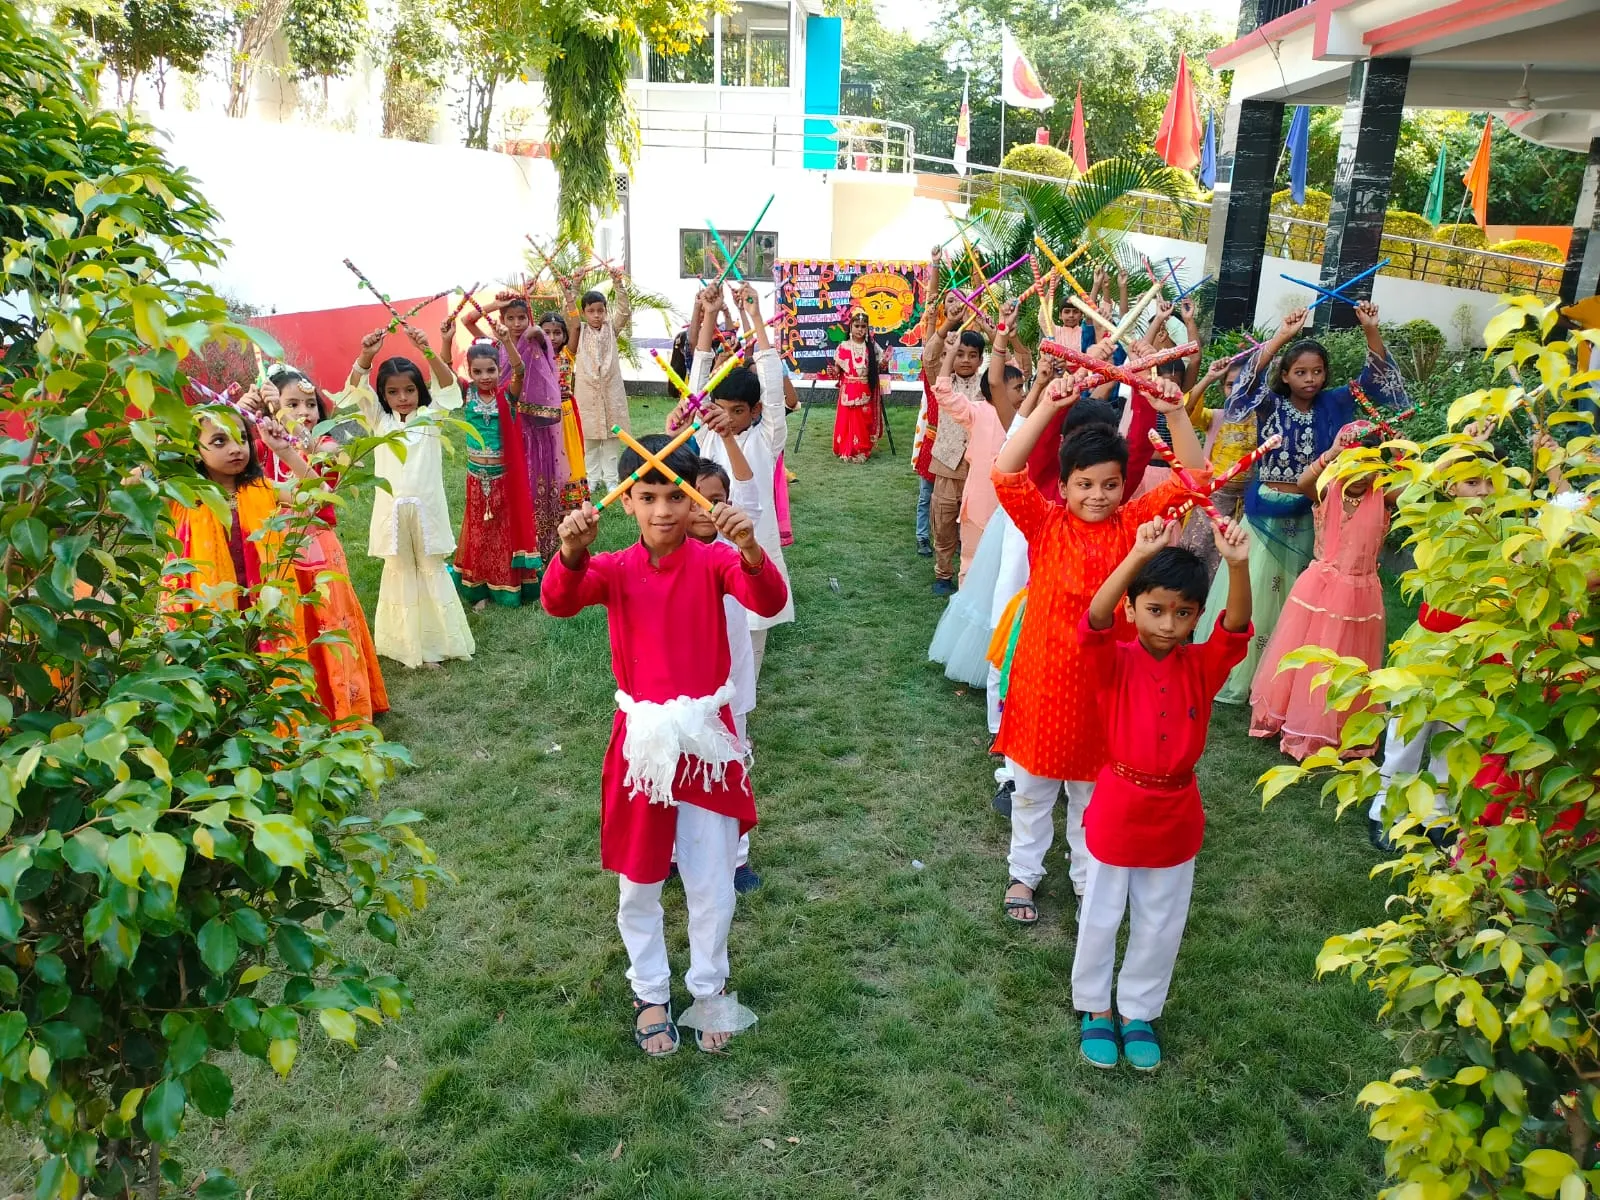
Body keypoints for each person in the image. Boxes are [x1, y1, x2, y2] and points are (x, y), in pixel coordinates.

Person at [541, 434, 789, 1057]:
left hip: (706, 742)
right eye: (646, 496)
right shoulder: (615, 568)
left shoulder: (716, 561)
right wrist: (570, 551)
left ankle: (708, 988)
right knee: (639, 880)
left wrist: (752, 548)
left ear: (694, 499)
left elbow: (768, 598)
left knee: (711, 877)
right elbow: (558, 602)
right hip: (643, 748)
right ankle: (650, 990)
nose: (662, 511)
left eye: (674, 496)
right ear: (626, 502)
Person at [991, 367, 1206, 924]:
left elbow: (1194, 480)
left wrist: (1176, 411)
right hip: (1043, 684)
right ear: (1063, 487)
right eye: (1084, 484)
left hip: (1109, 691)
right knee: (1033, 791)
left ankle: (1089, 880)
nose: (1097, 495)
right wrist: (1047, 406)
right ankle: (1024, 875)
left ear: (1126, 486)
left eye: (1110, 484)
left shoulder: (1134, 528)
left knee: (1093, 796)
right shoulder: (1044, 525)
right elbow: (1005, 471)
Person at [1071, 513, 1254, 1071]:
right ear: (1133, 609)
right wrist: (1135, 557)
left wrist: (1239, 565)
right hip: (1119, 805)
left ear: (1196, 615)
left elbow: (1236, 629)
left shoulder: (1201, 666)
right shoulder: (1114, 660)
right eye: (1154, 609)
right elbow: (1094, 620)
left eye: (1183, 613)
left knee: (1160, 919)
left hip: (1176, 812)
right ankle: (1095, 1007)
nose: (1169, 624)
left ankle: (1140, 1009)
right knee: (1101, 912)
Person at [1198, 301, 1406, 703]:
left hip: (1313, 512)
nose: (1310, 379)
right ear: (1286, 375)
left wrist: (1370, 330)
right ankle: (1241, 673)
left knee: (1302, 599)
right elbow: (1239, 392)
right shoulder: (1270, 403)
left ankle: (1286, 684)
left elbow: (1382, 385)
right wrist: (1280, 337)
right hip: (1264, 513)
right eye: (1300, 372)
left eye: (1317, 372)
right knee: (1258, 593)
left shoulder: (1336, 403)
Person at [244, 369, 389, 726]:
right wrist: (242, 411)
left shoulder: (328, 447)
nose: (304, 410)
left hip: (318, 547)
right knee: (290, 622)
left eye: (310, 404)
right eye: (292, 403)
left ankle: (345, 703)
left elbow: (314, 484)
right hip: (274, 550)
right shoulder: (259, 447)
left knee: (330, 621)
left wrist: (284, 424)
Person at [1249, 421, 1396, 760]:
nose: (1360, 476)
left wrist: (1400, 453)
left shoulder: (1384, 497)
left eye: (1368, 468)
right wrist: (1331, 452)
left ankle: (1338, 724)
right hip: (1318, 590)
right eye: (1352, 466)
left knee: (1349, 661)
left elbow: (1413, 486)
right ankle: (1293, 716)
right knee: (1307, 655)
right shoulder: (1329, 490)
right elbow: (1303, 483)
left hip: (1360, 593)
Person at [336, 323, 474, 669]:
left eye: (409, 390)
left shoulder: (430, 418)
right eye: (394, 392)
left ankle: (439, 643)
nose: (402, 397)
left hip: (427, 510)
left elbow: (447, 388)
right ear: (383, 395)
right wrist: (366, 356)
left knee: (431, 569)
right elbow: (353, 392)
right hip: (392, 512)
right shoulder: (379, 422)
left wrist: (428, 350)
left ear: (418, 391)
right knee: (398, 570)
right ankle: (402, 644)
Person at [683, 283, 795, 675]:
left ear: (755, 410)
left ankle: (744, 714)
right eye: (720, 409)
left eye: (737, 411)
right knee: (709, 634)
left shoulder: (769, 437)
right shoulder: (706, 434)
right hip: (708, 550)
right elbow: (693, 387)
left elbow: (770, 378)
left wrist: (755, 317)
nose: (726, 418)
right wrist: (710, 316)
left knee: (751, 640)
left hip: (752, 546)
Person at [688, 457, 763, 895]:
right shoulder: (670, 557)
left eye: (714, 501)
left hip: (729, 687)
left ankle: (736, 858)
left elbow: (750, 491)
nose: (704, 511)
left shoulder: (734, 551)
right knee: (677, 769)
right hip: (680, 693)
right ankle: (677, 855)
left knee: (731, 764)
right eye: (693, 501)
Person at [451, 327, 543, 610]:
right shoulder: (466, 394)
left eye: (490, 370)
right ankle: (478, 587)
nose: (484, 377)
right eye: (477, 372)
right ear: (470, 371)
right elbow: (443, 372)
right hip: (475, 476)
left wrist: (506, 341)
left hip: (503, 475)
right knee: (478, 530)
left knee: (503, 530)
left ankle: (506, 585)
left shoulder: (506, 396)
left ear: (497, 367)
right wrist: (445, 340)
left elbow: (520, 371)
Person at [571, 271, 633, 494]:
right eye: (591, 311)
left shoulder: (611, 329)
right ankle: (592, 477)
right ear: (584, 312)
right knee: (590, 441)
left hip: (611, 393)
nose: (596, 315)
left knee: (612, 439)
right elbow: (567, 314)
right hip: (587, 394)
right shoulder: (580, 331)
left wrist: (618, 283)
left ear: (606, 311)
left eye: (600, 310)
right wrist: (574, 287)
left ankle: (611, 479)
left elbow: (624, 311)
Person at [539, 311, 590, 510]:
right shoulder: (535, 356)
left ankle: (571, 503)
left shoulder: (567, 354)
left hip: (565, 413)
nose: (552, 338)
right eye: (547, 332)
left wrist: (571, 293)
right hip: (543, 415)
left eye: (557, 332)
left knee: (568, 455)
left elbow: (577, 325)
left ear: (564, 334)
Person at [833, 308, 885, 462]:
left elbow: (880, 364)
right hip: (849, 390)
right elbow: (838, 369)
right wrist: (833, 370)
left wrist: (885, 361)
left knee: (863, 421)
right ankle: (847, 450)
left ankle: (862, 450)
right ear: (851, 327)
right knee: (848, 421)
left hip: (865, 390)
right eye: (857, 326)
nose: (860, 330)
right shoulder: (843, 346)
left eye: (863, 326)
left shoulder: (872, 347)